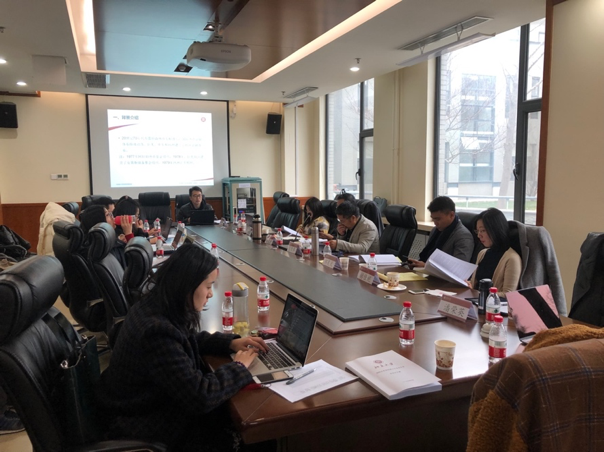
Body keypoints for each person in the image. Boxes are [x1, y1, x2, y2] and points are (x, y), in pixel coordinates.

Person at [98, 242, 268, 451]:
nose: (210, 294)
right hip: (147, 423)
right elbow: (200, 396)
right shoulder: (157, 332)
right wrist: (239, 367)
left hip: (143, 405)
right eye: (208, 286)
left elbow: (185, 339)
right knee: (255, 431)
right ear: (187, 285)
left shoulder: (155, 306)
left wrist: (230, 342)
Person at [468, 208, 521, 297]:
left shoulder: (512, 258)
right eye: (477, 231)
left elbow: (508, 294)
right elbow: (475, 285)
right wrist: (469, 285)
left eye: (483, 230)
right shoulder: (482, 253)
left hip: (492, 305)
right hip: (475, 300)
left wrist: (482, 294)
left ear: (496, 230)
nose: (479, 235)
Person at [408, 196, 473, 268]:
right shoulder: (435, 230)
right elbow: (427, 256)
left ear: (451, 215)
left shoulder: (463, 236)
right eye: (433, 219)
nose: (435, 223)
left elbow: (459, 268)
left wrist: (426, 266)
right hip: (427, 272)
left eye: (438, 219)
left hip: (439, 275)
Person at [80, 204, 132, 269]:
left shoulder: (91, 244)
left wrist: (118, 241)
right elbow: (134, 262)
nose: (113, 217)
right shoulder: (107, 249)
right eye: (108, 215)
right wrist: (128, 234)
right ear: (99, 221)